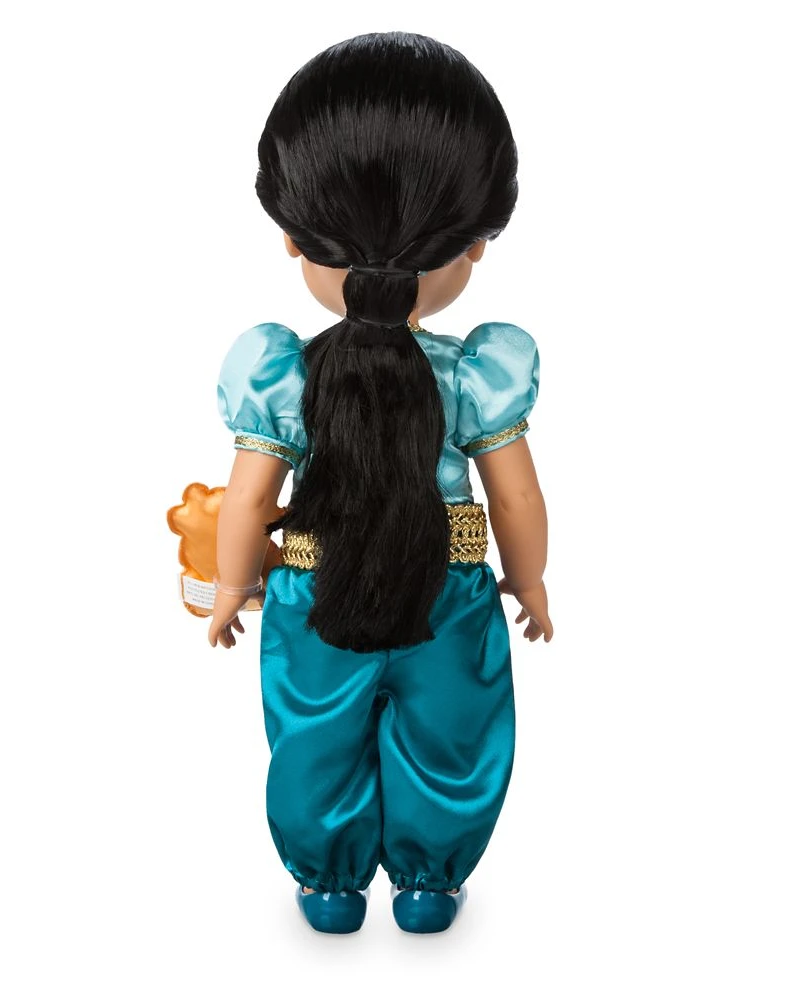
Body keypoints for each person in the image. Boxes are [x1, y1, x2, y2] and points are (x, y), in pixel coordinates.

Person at [208, 31, 553, 935]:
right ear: (476, 244)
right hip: (452, 588)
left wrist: (232, 584)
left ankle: (329, 886)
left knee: (315, 732)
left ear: (292, 237)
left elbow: (248, 499)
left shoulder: (283, 374)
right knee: (452, 730)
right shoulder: (477, 374)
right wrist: (530, 578)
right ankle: (428, 884)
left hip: (314, 591)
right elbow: (515, 496)